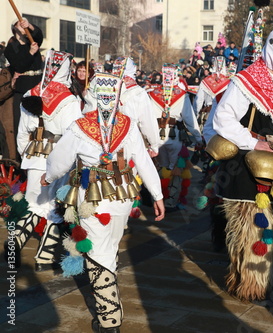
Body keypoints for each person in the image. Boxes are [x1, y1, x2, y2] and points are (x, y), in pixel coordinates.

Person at [42, 72, 164, 333]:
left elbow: (60, 160)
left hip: (92, 198)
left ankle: (110, 321)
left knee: (99, 253)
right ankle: (109, 311)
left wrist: (48, 176)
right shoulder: (128, 125)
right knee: (109, 247)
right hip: (122, 196)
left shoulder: (80, 126)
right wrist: (157, 195)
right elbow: (143, 161)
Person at [211, 0, 273, 302]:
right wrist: (254, 142)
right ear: (271, 48)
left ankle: (256, 275)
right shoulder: (247, 80)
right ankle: (251, 284)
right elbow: (222, 119)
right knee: (256, 227)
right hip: (250, 165)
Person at [7, 51, 82, 271]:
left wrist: (26, 155)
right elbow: (73, 134)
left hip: (34, 155)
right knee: (53, 208)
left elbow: (22, 132)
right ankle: (44, 258)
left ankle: (16, 240)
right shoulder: (69, 99)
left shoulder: (31, 92)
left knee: (33, 204)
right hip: (57, 156)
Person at [148, 64, 203, 212]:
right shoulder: (182, 95)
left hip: (157, 135)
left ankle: (158, 199)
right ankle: (170, 201)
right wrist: (198, 138)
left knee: (160, 167)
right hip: (175, 136)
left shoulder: (152, 93)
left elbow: (146, 118)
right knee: (175, 169)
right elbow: (190, 119)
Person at [4, 18, 43, 146]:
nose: (23, 26)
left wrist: (30, 26)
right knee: (22, 124)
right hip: (23, 87)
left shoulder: (31, 41)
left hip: (37, 85)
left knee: (38, 122)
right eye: (20, 25)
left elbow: (39, 35)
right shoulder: (11, 47)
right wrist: (31, 53)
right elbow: (19, 65)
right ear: (14, 29)